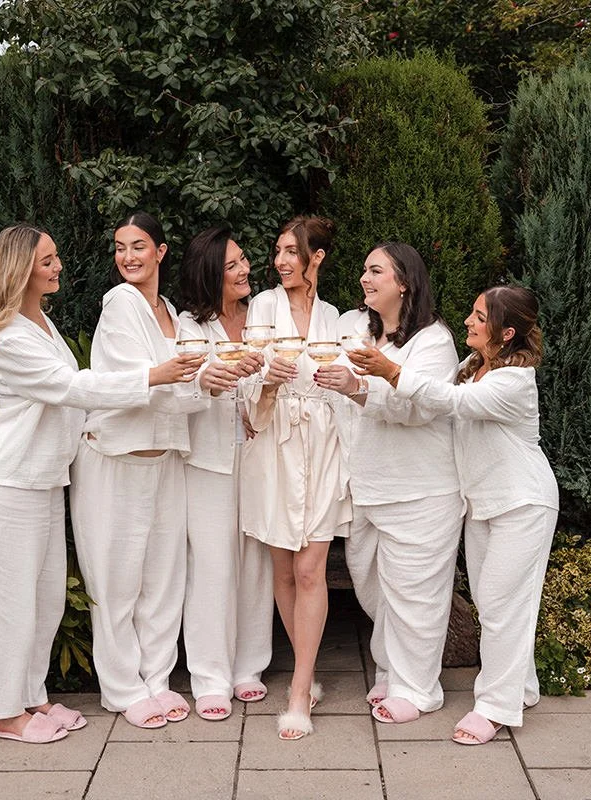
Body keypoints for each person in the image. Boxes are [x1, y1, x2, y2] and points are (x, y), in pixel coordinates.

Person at [0, 224, 202, 743]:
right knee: (10, 600)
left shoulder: (41, 324)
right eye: (48, 260)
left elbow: (77, 392)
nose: (57, 267)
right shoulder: (9, 336)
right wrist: (153, 377)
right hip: (6, 479)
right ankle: (5, 713)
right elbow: (70, 387)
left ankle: (33, 698)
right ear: (23, 267)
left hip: (45, 478)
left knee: (45, 598)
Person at [348, 284, 559, 744]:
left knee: (504, 606)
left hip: (523, 502)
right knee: (493, 602)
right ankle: (522, 686)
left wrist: (391, 370)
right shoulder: (471, 368)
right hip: (482, 504)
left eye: (480, 317)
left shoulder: (514, 383)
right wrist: (362, 390)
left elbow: (451, 403)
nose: (468, 320)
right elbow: (427, 401)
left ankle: (495, 707)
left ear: (506, 333)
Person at [68, 212, 211, 729]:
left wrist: (210, 382)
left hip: (166, 459)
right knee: (116, 582)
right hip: (115, 460)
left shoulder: (173, 312)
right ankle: (123, 689)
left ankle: (157, 678)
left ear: (162, 252)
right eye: (120, 247)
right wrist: (186, 381)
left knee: (163, 581)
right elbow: (139, 387)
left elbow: (182, 391)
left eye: (139, 247)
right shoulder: (119, 304)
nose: (128, 257)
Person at [313, 242, 462, 725]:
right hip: (366, 488)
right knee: (374, 587)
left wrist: (361, 387)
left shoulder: (433, 341)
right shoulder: (357, 329)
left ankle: (418, 689)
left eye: (375, 271)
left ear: (404, 282)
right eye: (363, 270)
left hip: (420, 490)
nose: (364, 278)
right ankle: (390, 671)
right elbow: (315, 356)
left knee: (416, 593)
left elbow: (419, 409)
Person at [242, 215, 351, 740]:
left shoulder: (338, 318)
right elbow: (246, 385)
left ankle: (300, 687)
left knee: (311, 571)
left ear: (317, 257)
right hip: (274, 445)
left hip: (323, 444)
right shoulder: (262, 307)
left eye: (292, 251)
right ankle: (306, 676)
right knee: (283, 571)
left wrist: (346, 382)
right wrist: (266, 382)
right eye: (278, 251)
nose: (282, 260)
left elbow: (351, 381)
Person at [176, 226, 274, 721]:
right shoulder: (192, 326)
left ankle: (249, 667)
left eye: (243, 261)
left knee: (255, 558)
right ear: (211, 270)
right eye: (232, 264)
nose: (244, 270)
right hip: (210, 460)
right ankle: (210, 676)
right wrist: (212, 380)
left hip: (258, 457)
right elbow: (192, 382)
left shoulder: (261, 318)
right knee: (213, 565)